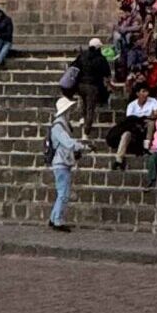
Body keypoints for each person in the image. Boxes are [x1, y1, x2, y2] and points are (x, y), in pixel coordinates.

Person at [46, 95, 88, 231]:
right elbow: (68, 143)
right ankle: (57, 220)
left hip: (62, 161)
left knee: (62, 192)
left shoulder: (61, 125)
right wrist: (83, 146)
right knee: (63, 193)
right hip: (61, 162)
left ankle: (53, 218)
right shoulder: (59, 126)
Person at [108, 81, 157, 165]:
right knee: (126, 134)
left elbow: (156, 114)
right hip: (134, 128)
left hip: (147, 125)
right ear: (137, 93)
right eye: (143, 91)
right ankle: (119, 159)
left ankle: (146, 147)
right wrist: (144, 117)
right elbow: (130, 120)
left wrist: (145, 118)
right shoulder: (132, 105)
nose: (145, 94)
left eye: (146, 91)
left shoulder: (153, 101)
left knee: (151, 123)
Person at [69, 36, 111, 135]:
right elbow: (107, 73)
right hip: (92, 87)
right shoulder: (101, 59)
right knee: (90, 108)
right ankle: (87, 129)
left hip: (80, 85)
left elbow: (73, 67)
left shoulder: (82, 56)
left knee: (83, 102)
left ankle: (82, 119)